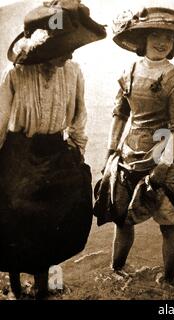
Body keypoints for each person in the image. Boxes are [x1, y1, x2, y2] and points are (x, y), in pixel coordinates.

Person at [0, 0, 106, 299]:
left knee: (51, 220)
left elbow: (79, 115)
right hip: (19, 152)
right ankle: (17, 286)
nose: (69, 54)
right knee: (14, 219)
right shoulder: (15, 74)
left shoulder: (72, 72)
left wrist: (76, 148)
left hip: (55, 149)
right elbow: (1, 118)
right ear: (42, 50)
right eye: (63, 48)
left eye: (71, 47)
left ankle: (43, 284)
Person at [95, 7, 174, 285]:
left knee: (168, 224)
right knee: (122, 221)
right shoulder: (128, 71)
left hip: (164, 156)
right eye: (155, 35)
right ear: (142, 40)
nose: (162, 42)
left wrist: (164, 165)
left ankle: (169, 280)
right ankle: (116, 273)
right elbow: (120, 113)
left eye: (168, 37)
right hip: (128, 154)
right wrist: (111, 151)